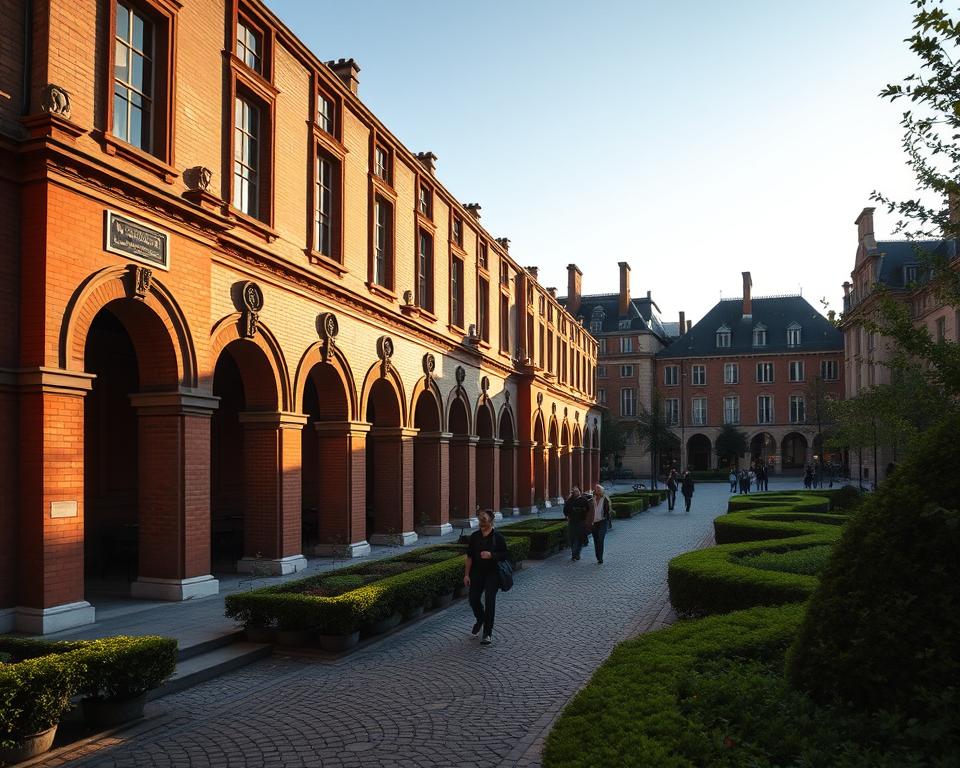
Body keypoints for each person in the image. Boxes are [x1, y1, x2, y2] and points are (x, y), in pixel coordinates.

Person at [464, 508, 508, 646]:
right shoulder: (475, 536)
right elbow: (469, 557)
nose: (481, 523)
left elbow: (505, 555)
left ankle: (487, 633)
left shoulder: (498, 537)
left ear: (491, 521)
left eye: (484, 520)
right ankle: (480, 618)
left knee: (490, 601)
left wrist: (492, 555)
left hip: (492, 573)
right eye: (480, 520)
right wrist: (466, 575)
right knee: (473, 599)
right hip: (477, 573)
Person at [563, 486, 589, 561]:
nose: (575, 493)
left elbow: (588, 510)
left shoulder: (584, 500)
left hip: (581, 522)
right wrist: (567, 515)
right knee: (572, 538)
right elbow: (565, 510)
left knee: (579, 539)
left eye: (577, 491)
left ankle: (575, 554)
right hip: (572, 522)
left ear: (580, 492)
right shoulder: (569, 501)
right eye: (574, 491)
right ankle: (574, 554)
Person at [590, 484, 610, 564]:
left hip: (603, 522)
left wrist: (607, 517)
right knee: (596, 540)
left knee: (600, 539)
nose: (597, 491)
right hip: (594, 522)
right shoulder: (592, 499)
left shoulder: (605, 499)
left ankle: (600, 558)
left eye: (599, 489)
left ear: (602, 491)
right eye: (596, 489)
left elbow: (608, 510)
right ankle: (598, 556)